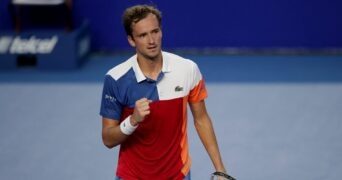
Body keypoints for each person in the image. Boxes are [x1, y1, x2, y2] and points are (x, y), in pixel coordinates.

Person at [100, 4, 235, 180]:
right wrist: (132, 121)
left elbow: (201, 119)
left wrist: (220, 169)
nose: (151, 40)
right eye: (142, 35)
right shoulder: (115, 79)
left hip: (178, 175)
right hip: (132, 176)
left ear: (161, 31)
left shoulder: (187, 69)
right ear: (131, 40)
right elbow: (108, 139)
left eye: (155, 31)